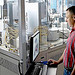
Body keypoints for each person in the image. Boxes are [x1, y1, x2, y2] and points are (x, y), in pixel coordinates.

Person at [48, 6, 75, 75]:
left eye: (67, 18)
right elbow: (67, 50)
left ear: (74, 17)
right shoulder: (72, 32)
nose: (66, 20)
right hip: (67, 70)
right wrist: (58, 61)